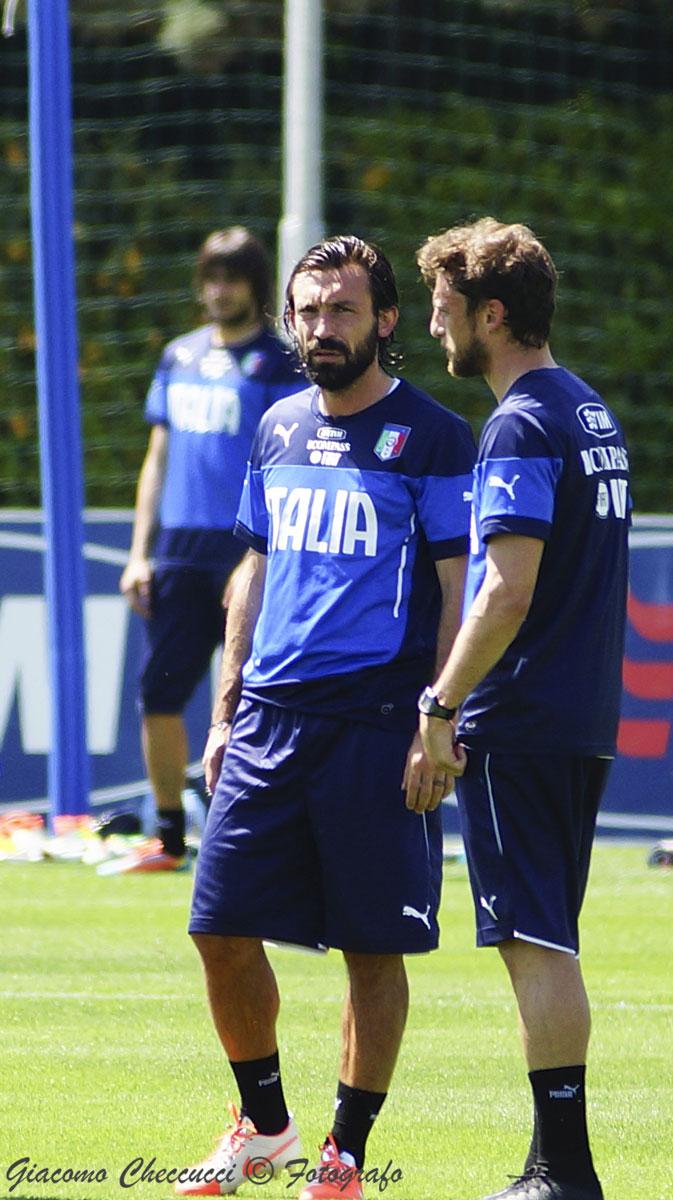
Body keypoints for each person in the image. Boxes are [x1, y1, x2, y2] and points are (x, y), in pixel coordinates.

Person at [178, 235, 477, 1198]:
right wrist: (224, 713)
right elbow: (253, 573)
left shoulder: (434, 436)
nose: (321, 328)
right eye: (307, 311)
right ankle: (265, 1127)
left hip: (378, 724)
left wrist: (438, 718)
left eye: (342, 309)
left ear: (385, 320)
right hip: (267, 722)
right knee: (218, 928)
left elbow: (460, 589)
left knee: (372, 949)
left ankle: (344, 1156)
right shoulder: (275, 426)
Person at [415, 218, 631, 1200]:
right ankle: (556, 1165)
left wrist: (441, 703)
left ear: (491, 315)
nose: (436, 327)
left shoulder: (520, 424)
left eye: (445, 309)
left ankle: (563, 1173)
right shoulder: (588, 408)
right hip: (580, 716)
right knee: (549, 937)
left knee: (533, 940)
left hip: (523, 717)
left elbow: (505, 590)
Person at [119, 226, 304, 872]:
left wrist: (260, 556)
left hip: (246, 551)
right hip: (178, 553)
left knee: (259, 700)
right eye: (212, 278)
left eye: (233, 278)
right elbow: (157, 458)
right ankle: (170, 834)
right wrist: (139, 552)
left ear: (256, 285)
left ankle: (256, 837)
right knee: (158, 694)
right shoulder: (178, 356)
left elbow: (288, 463)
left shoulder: (280, 364)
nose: (221, 290)